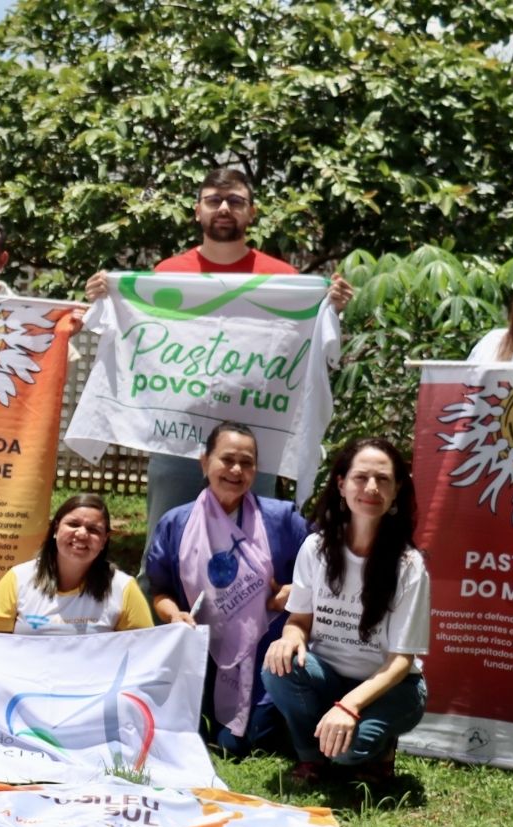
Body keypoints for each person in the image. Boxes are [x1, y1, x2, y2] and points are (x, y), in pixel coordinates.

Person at [84, 168, 354, 531]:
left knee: (252, 543)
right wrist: (106, 295)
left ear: (251, 212)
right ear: (198, 211)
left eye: (235, 201)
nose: (224, 208)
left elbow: (306, 343)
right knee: (168, 538)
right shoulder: (167, 274)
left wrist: (330, 306)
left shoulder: (284, 279)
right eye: (213, 200)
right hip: (176, 439)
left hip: (254, 442)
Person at [262, 437, 429, 785]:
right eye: (360, 477)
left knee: (348, 752)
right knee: (278, 667)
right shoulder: (316, 548)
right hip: (327, 676)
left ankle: (378, 749)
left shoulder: (409, 565)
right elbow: (299, 621)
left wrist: (349, 705)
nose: (372, 488)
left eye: (383, 479)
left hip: (391, 687)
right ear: (341, 484)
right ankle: (311, 758)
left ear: (397, 489)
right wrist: (289, 638)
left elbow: (401, 661)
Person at [145, 422, 311, 756]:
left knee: (250, 740)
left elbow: (323, 570)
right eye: (227, 459)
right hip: (202, 653)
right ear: (205, 462)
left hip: (266, 653)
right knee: (213, 739)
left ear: (255, 470)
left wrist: (294, 591)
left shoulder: (282, 519)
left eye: (247, 463)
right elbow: (160, 590)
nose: (236, 470)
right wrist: (174, 614)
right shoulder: (176, 523)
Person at [0, 493, 153, 634]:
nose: (82, 534)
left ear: (104, 540)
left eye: (93, 529)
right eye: (73, 524)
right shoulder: (18, 579)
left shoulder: (123, 588)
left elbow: (144, 650)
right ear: (56, 528)